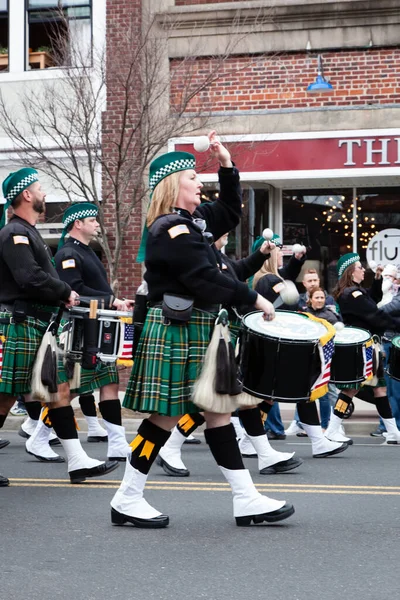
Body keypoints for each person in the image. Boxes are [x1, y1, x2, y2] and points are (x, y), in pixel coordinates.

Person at [111, 132, 295, 528]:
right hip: (177, 328)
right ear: (173, 185)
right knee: (163, 417)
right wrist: (254, 298)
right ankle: (127, 497)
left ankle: (246, 499)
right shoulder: (169, 230)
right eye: (193, 177)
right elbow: (203, 278)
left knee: (218, 413)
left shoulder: (192, 223)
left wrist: (226, 162)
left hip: (197, 329)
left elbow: (230, 211)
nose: (201, 182)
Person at [0, 169, 119, 485]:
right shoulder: (15, 233)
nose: (44, 193)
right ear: (27, 195)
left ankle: (77, 461)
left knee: (58, 389)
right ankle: (76, 459)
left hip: (38, 323)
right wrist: (65, 292)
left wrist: (59, 297)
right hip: (22, 322)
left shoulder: (29, 231)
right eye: (40, 188)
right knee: (6, 397)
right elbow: (28, 277)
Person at [156, 232, 302, 477]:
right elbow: (225, 285)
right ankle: (169, 448)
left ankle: (265, 455)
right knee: (211, 400)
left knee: (241, 398)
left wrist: (261, 254)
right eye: (221, 229)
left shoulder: (217, 256)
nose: (226, 232)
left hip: (227, 332)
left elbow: (238, 269)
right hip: (213, 332)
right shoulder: (201, 256)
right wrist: (256, 300)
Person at [26, 202, 132, 464]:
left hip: (95, 324)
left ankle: (117, 443)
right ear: (78, 224)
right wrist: (111, 300)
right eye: (93, 220)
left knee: (108, 382)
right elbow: (74, 290)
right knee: (71, 389)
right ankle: (38, 437)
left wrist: (113, 300)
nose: (97, 224)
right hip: (80, 327)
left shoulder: (86, 252)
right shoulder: (67, 255)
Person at [251, 242, 348, 458]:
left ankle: (249, 441)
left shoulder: (271, 278)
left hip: (278, 343)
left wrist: (297, 259)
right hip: (280, 344)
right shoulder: (269, 280)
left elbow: (288, 274)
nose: (281, 258)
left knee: (274, 396)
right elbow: (287, 301)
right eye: (278, 255)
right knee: (298, 391)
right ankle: (317, 442)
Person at [324, 253, 400, 445]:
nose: (363, 270)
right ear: (350, 272)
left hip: (366, 346)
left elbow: (372, 300)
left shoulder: (353, 292)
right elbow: (374, 314)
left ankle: (392, 432)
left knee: (380, 389)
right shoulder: (352, 294)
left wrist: (376, 279)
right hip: (361, 347)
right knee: (350, 389)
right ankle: (332, 430)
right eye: (359, 267)